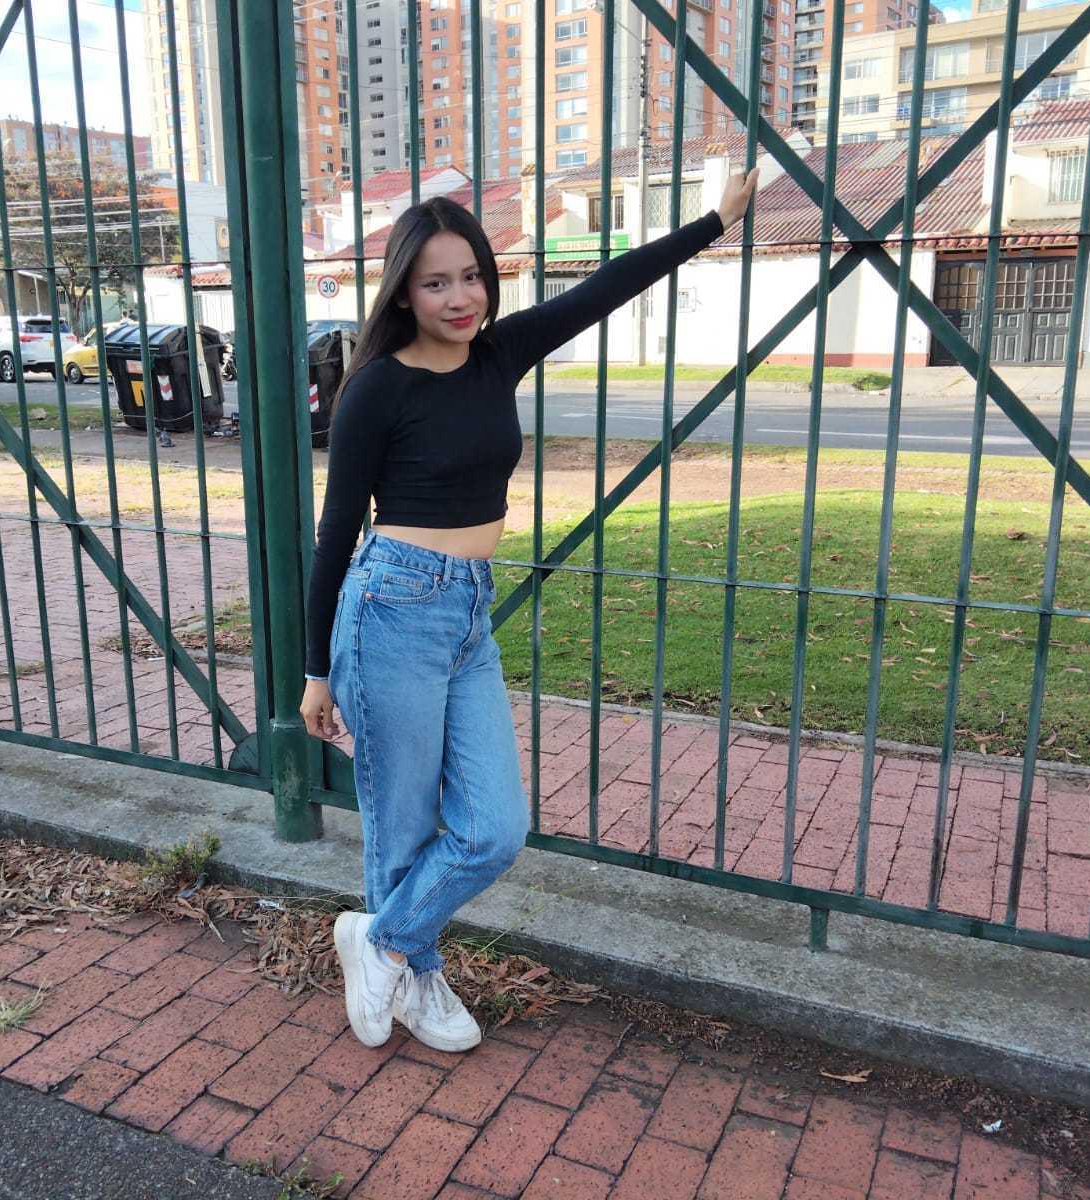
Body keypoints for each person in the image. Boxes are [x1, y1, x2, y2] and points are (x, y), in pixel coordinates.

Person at [298, 166, 761, 1053]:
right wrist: (317, 669)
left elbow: (606, 285)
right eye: (436, 282)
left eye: (471, 275)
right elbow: (334, 535)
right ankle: (416, 978)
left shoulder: (498, 353)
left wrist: (713, 221)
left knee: (495, 827)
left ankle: (381, 941)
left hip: (467, 613)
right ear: (403, 291)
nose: (460, 297)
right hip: (391, 609)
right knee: (403, 825)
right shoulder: (377, 388)